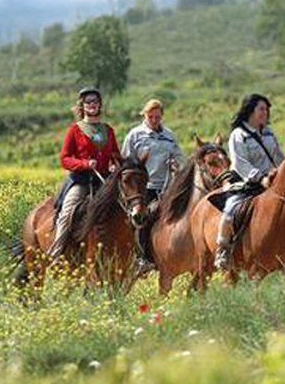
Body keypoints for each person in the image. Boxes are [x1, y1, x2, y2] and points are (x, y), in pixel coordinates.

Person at [47, 87, 122, 260]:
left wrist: (114, 165)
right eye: (88, 102)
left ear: (100, 105)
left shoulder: (108, 130)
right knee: (67, 212)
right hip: (81, 181)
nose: (92, 104)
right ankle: (55, 253)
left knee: (128, 209)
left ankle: (135, 255)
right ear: (82, 105)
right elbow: (64, 159)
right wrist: (85, 163)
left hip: (104, 180)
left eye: (95, 101)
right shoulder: (74, 130)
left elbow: (116, 155)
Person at [214, 93, 285, 270]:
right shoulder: (238, 135)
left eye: (267, 110)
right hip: (246, 183)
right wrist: (260, 178)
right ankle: (223, 251)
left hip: (271, 182)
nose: (265, 112)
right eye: (261, 109)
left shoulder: (269, 133)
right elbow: (239, 163)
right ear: (250, 111)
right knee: (230, 210)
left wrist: (284, 173)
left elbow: (278, 157)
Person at [122, 98, 184, 272]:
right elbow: (126, 161)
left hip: (165, 186)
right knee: (143, 219)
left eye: (157, 117)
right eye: (151, 117)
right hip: (142, 188)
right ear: (145, 116)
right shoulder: (135, 135)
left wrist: (175, 164)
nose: (154, 120)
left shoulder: (169, 136)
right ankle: (140, 258)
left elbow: (179, 156)